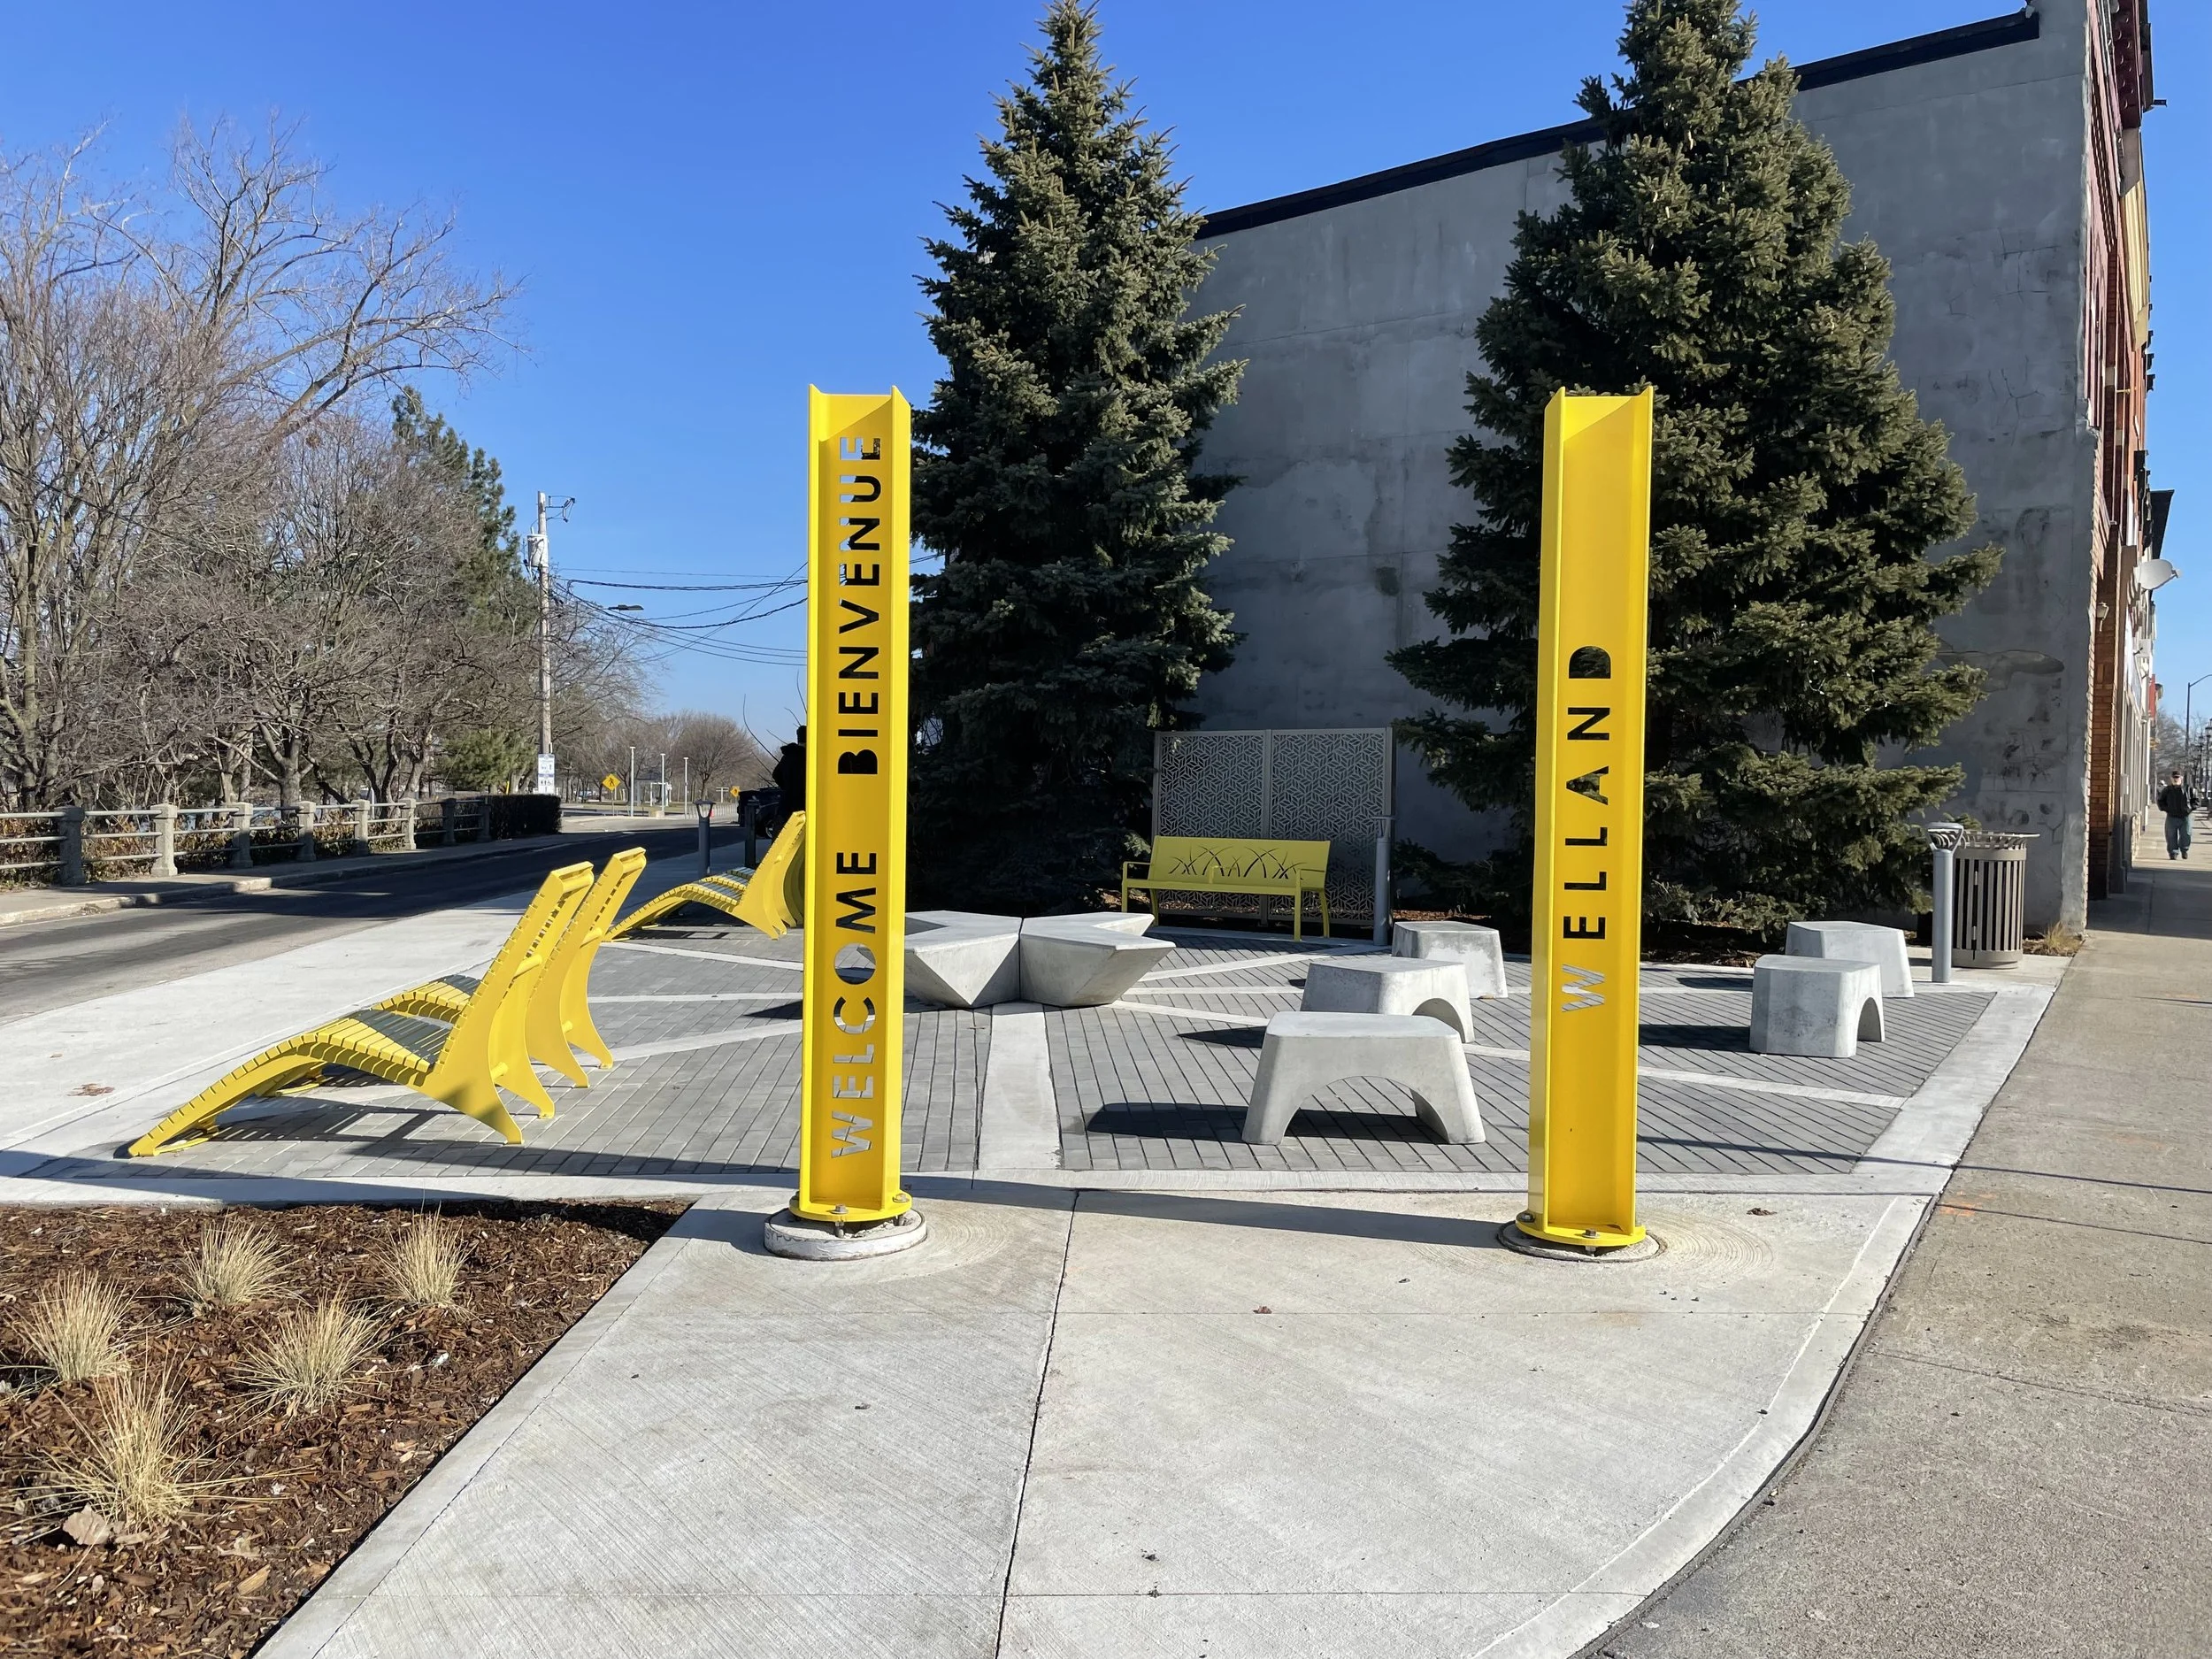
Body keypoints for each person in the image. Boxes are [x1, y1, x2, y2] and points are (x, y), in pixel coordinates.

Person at [771, 726, 807, 833]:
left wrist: (787, 787)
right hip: (802, 804)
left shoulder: (788, 756)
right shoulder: (808, 757)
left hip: (786, 805)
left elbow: (776, 775)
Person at [2157, 768, 2195, 861]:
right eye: (2174, 777)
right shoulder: (2167, 790)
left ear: (2181, 778)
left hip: (2185, 816)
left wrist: (2190, 809)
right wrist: (2167, 809)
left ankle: (2184, 850)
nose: (2176, 779)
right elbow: (2161, 801)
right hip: (2172, 816)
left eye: (2177, 777)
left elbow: (2196, 800)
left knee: (2186, 834)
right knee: (2171, 835)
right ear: (2171, 778)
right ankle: (2173, 853)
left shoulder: (2189, 789)